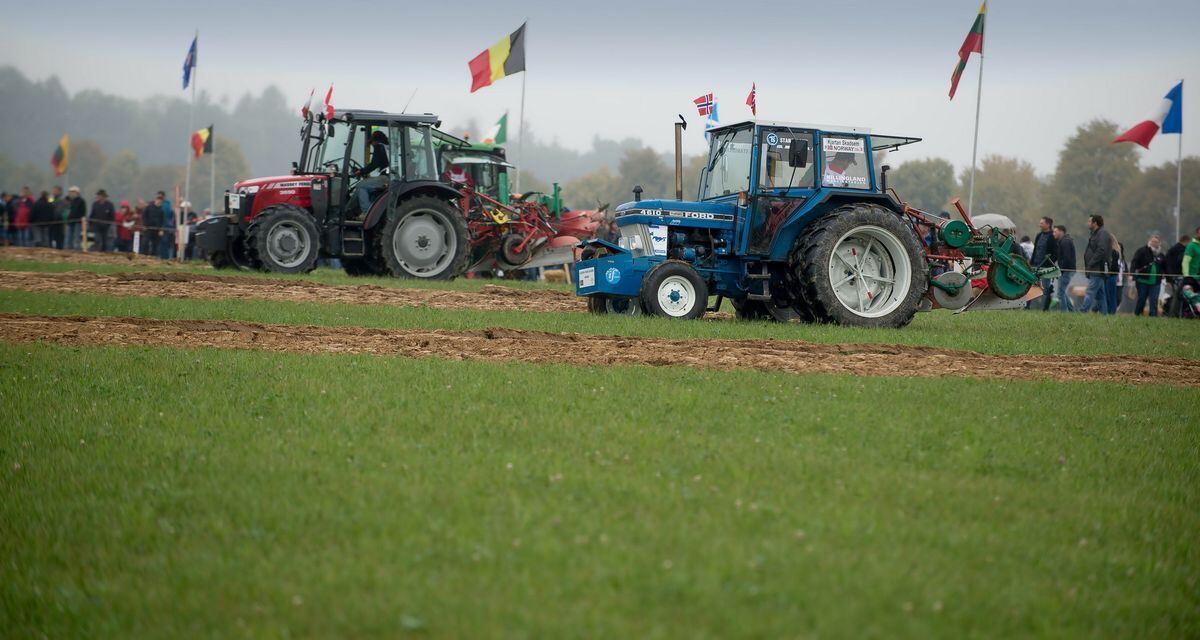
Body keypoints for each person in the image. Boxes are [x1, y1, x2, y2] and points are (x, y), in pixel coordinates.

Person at [1080, 214, 1113, 314]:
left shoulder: (1102, 234)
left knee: (1090, 291)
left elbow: (1101, 250)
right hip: (1094, 268)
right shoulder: (1095, 233)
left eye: (1089, 221)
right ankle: (1104, 315)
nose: (1088, 223)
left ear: (1095, 223)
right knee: (1100, 296)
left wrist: (1091, 263)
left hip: (1098, 269)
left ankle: (1082, 311)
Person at [353, 130, 391, 215]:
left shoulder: (379, 146)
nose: (373, 146)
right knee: (367, 184)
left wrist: (361, 171)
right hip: (391, 176)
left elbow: (374, 164)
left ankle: (367, 213)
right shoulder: (388, 147)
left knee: (360, 186)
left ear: (375, 140)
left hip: (385, 178)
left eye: (372, 143)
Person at [1131, 234, 1164, 317]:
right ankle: (1137, 314)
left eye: (1156, 242)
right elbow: (1134, 262)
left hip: (1156, 282)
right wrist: (1132, 274)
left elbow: (1165, 266)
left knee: (1153, 300)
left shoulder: (1161, 255)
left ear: (1159, 243)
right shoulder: (1142, 251)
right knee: (1141, 299)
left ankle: (1153, 316)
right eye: (1153, 241)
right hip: (1142, 280)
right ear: (1149, 241)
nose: (1154, 243)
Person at [1031, 217, 1058, 310]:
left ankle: (1044, 309)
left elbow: (1055, 253)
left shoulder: (1052, 236)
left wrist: (1049, 262)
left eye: (1042, 223)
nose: (1040, 225)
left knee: (1046, 288)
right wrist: (1031, 262)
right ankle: (1028, 307)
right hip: (1035, 265)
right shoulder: (1039, 235)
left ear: (1048, 225)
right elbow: (1035, 250)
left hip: (1046, 267)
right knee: (1032, 286)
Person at [1052, 225, 1076, 312]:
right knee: (1062, 291)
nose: (1053, 233)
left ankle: (1064, 312)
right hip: (1065, 270)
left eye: (1055, 231)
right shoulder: (1063, 241)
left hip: (1066, 270)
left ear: (1061, 232)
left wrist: (1061, 270)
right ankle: (1071, 310)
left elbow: (1067, 258)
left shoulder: (1065, 242)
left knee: (1060, 292)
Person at [142, 192, 167, 257]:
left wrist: (161, 229)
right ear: (156, 200)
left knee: (155, 244)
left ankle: (153, 256)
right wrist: (144, 224)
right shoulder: (149, 207)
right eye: (158, 200)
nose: (159, 202)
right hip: (148, 228)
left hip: (157, 229)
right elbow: (144, 216)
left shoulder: (162, 210)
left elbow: (163, 221)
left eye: (161, 201)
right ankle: (144, 255)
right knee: (145, 242)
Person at [64, 186, 86, 250]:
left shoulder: (81, 201)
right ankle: (68, 248)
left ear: (77, 193)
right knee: (68, 236)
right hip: (70, 221)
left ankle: (76, 249)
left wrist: (80, 219)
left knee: (76, 237)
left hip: (77, 222)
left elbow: (83, 212)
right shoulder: (70, 201)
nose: (70, 193)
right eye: (70, 192)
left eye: (72, 192)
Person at [1108, 239, 1126, 314]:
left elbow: (1125, 269)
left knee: (1118, 299)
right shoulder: (1113, 256)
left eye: (1120, 247)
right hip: (1112, 279)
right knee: (1110, 297)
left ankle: (1112, 310)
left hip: (1120, 283)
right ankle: (1111, 312)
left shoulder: (1122, 259)